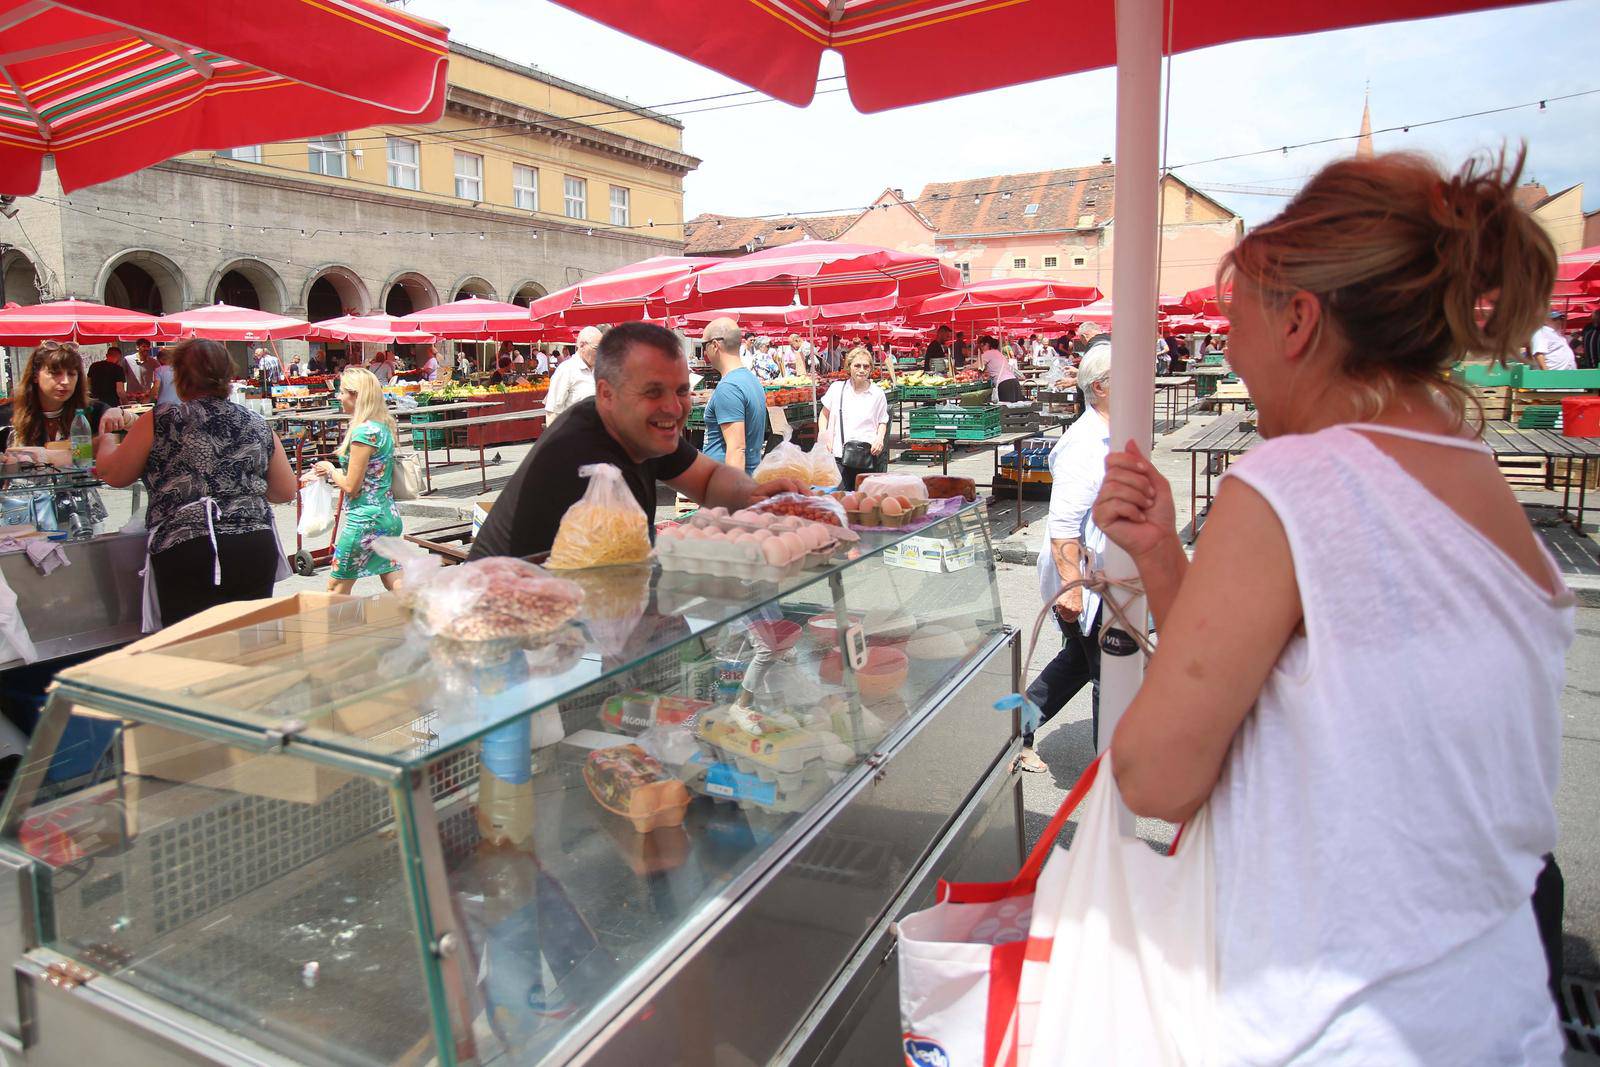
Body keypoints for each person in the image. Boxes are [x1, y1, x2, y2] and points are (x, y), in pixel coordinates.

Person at [1094, 151, 1570, 1062]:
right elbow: (1331, 690)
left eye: (1236, 323)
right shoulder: (1484, 482)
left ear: (1300, 319)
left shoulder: (1294, 479)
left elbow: (1156, 775)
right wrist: (1163, 554)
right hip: (1495, 1010)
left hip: (1333, 1023)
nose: (1228, 350)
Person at [470, 322, 805, 560]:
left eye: (682, 390)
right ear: (606, 393)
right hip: (507, 636)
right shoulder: (581, 456)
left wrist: (754, 495)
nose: (674, 408)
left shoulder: (638, 429)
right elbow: (616, 585)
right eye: (652, 392)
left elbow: (708, 479)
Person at [96, 339, 296, 625]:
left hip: (188, 548)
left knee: (193, 648)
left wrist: (105, 441)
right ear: (228, 377)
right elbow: (285, 490)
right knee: (249, 645)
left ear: (179, 377)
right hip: (252, 547)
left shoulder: (162, 419)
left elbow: (115, 474)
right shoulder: (256, 422)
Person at [1019, 345, 1111, 772]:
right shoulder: (1085, 444)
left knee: (1078, 661)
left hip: (1106, 578)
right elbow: (1063, 529)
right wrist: (1071, 587)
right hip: (1087, 582)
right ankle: (1113, 773)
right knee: (1107, 671)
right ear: (1101, 388)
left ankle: (1015, 731)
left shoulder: (1112, 433)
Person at [310, 368, 404, 593]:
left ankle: (334, 628)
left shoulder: (364, 432)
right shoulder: (383, 427)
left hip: (364, 521)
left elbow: (352, 487)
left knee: (336, 585)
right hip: (387, 516)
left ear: (356, 395)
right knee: (393, 575)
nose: (339, 397)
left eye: (342, 392)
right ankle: (424, 620)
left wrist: (330, 470)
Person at [0, 341, 129, 451]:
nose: (65, 381)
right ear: (35, 376)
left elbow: (141, 430)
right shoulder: (6, 416)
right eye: (55, 373)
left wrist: (121, 414)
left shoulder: (92, 410)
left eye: (72, 374)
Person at [699, 318, 767, 476]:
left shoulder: (728, 388)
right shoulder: (751, 380)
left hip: (725, 487)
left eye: (704, 345)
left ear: (715, 345)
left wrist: (731, 496)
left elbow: (737, 449)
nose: (704, 352)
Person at [817, 346, 890, 491]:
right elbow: (824, 414)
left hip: (867, 456)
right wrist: (823, 435)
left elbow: (883, 420)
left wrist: (880, 439)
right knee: (840, 500)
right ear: (849, 366)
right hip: (838, 455)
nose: (861, 370)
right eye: (857, 365)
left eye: (866, 366)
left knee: (863, 503)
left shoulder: (877, 393)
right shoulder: (837, 389)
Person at [546, 325, 600, 420]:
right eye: (596, 348)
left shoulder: (600, 369)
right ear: (582, 345)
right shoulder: (566, 370)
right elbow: (552, 412)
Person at [977, 335, 1022, 402]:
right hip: (1014, 381)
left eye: (982, 346)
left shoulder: (988, 353)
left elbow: (977, 365)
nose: (981, 349)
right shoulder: (999, 354)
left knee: (1006, 409)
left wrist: (964, 370)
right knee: (1015, 409)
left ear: (987, 344)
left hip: (1005, 384)